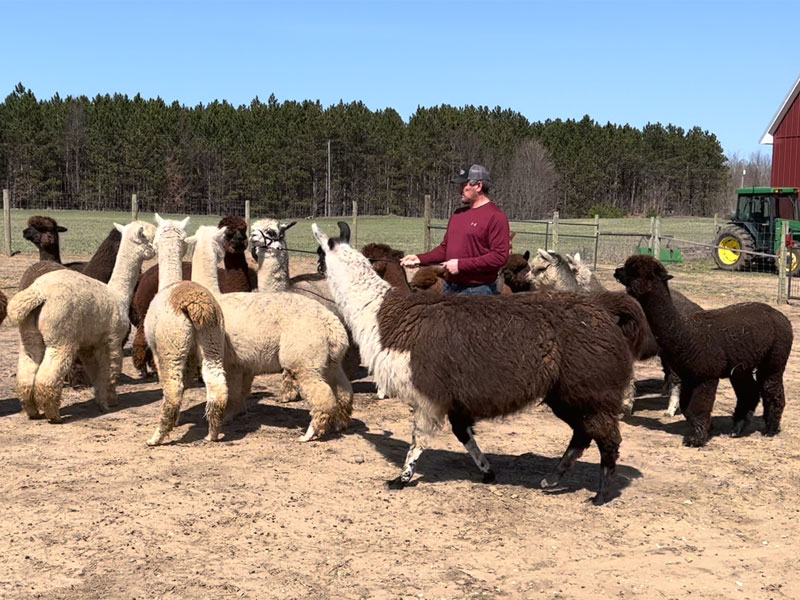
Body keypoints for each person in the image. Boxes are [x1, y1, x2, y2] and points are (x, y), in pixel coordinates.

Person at [400, 164, 510, 295]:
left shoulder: (496, 216)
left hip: (478, 291)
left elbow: (499, 257)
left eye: (464, 186)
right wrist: (419, 259)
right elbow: (445, 249)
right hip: (450, 288)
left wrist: (460, 265)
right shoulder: (458, 214)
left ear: (479, 186)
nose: (459, 190)